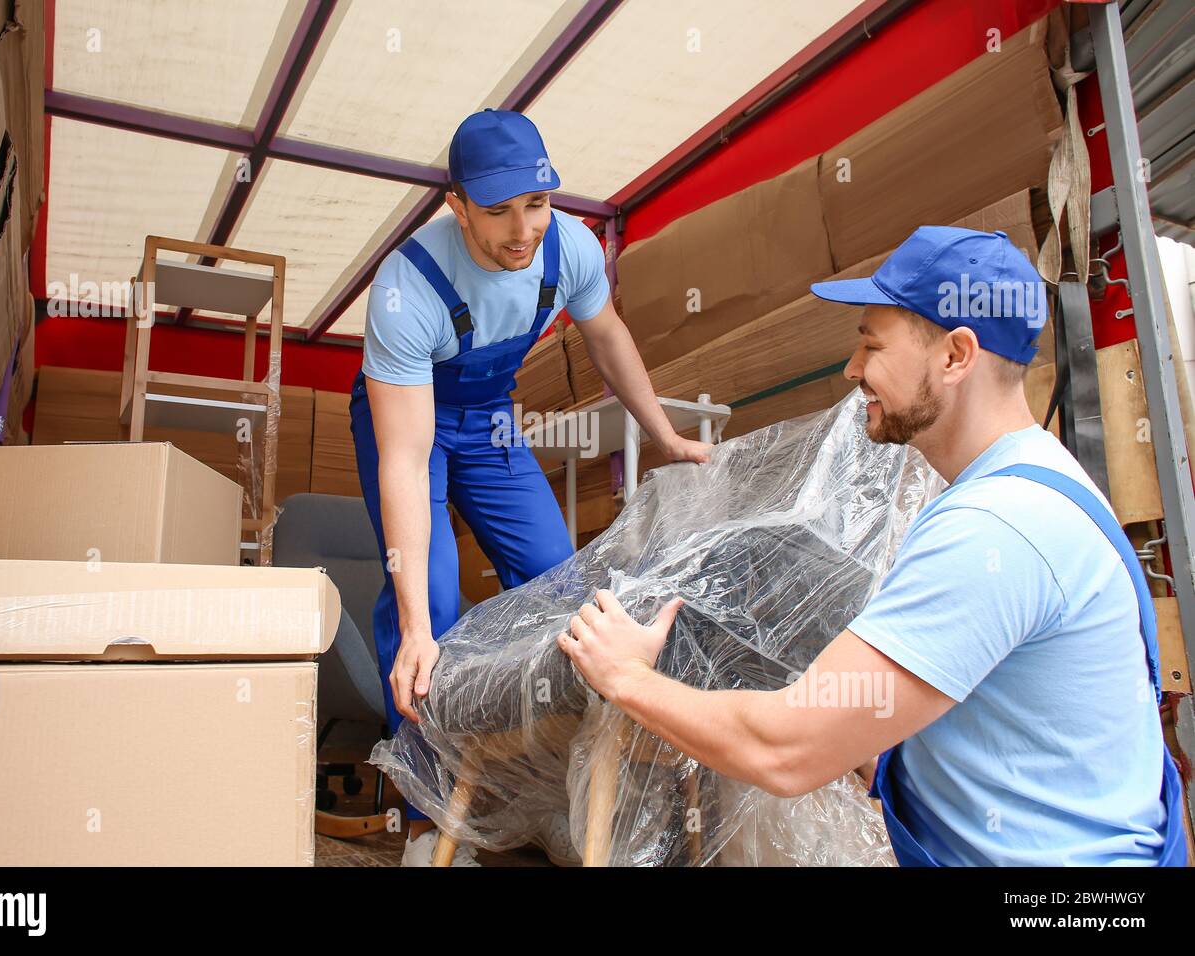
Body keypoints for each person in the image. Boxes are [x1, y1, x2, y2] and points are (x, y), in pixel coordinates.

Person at [557, 226, 1187, 865]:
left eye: (870, 345)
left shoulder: (995, 527)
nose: (853, 370)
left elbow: (785, 749)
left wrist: (627, 677)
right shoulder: (1040, 481)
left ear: (955, 356)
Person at [351, 109, 711, 866]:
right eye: (499, 210)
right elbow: (407, 462)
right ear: (456, 204)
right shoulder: (404, 290)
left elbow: (609, 336)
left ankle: (552, 784)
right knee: (433, 607)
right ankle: (423, 812)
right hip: (409, 422)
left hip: (487, 420)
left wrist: (663, 434)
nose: (523, 231)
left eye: (537, 204)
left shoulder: (569, 246)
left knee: (560, 581)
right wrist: (417, 624)